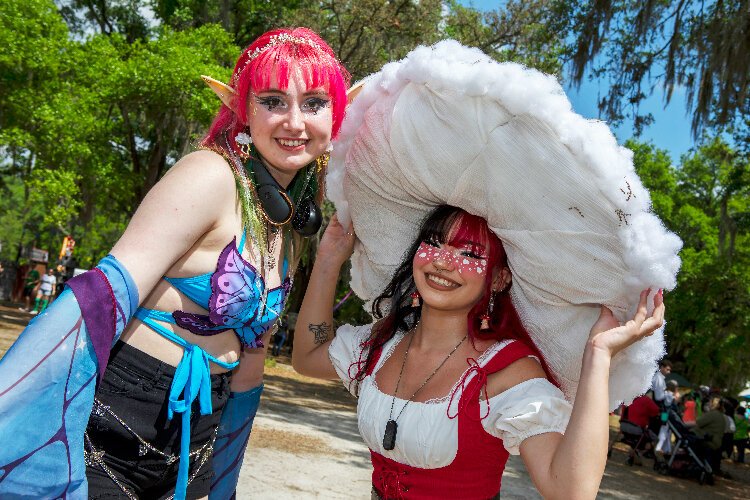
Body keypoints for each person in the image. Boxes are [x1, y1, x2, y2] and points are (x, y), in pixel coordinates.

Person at [291, 41, 680, 498]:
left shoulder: (508, 374)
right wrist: (329, 259)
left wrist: (597, 355)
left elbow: (569, 491)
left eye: (471, 254)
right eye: (434, 242)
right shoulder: (381, 344)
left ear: (500, 278)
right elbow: (307, 359)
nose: (442, 260)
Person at [0, 27, 349, 500]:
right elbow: (105, 294)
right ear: (242, 108)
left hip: (195, 439)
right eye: (273, 101)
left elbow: (253, 356)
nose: (294, 122)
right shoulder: (210, 175)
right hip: (113, 424)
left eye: (313, 103)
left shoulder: (283, 222)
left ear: (336, 115)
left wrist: (221, 472)